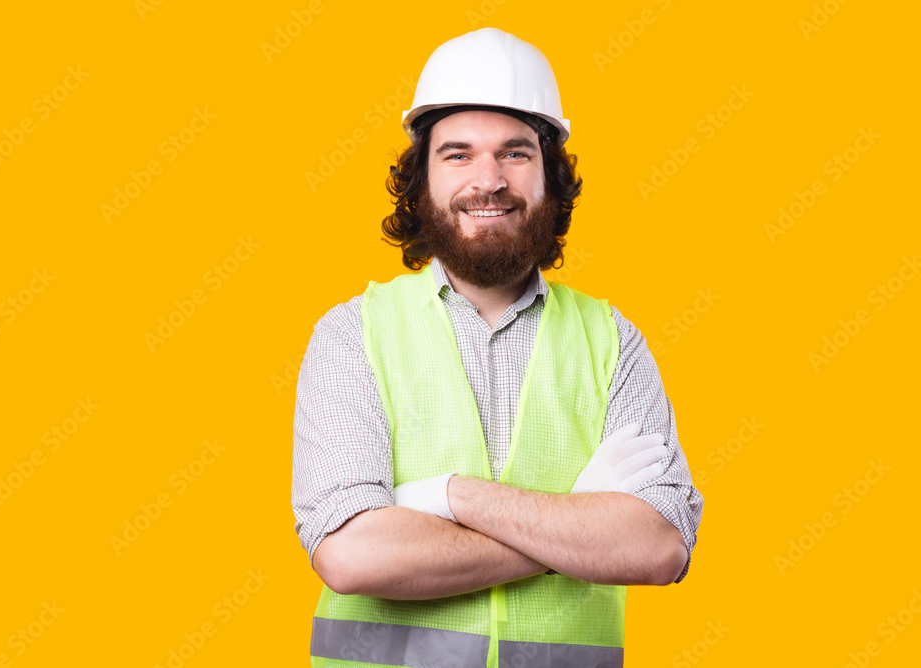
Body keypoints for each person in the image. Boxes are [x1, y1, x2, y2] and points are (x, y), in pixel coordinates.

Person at [291, 27, 703, 668]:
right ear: (419, 180)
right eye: (457, 155)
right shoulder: (352, 336)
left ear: (551, 178)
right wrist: (578, 527)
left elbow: (658, 547)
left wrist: (451, 496)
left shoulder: (612, 342)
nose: (489, 180)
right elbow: (352, 554)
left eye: (515, 154)